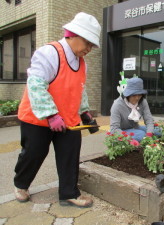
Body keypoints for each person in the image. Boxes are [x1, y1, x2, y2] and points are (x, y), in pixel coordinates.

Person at [14, 12, 101, 207]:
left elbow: (80, 89)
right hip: (37, 118)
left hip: (68, 119)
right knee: (34, 153)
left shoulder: (82, 63)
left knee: (70, 153)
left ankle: (69, 193)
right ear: (72, 34)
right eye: (87, 43)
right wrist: (51, 115)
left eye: (92, 46)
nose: (89, 49)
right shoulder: (49, 53)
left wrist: (85, 113)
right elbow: (36, 85)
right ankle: (21, 184)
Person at [110, 77, 160, 142]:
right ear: (128, 95)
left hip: (136, 128)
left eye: (139, 95)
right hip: (122, 130)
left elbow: (149, 120)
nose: (137, 98)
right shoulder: (117, 105)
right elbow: (114, 129)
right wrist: (128, 139)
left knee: (158, 130)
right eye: (134, 95)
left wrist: (149, 134)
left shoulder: (143, 101)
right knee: (141, 134)